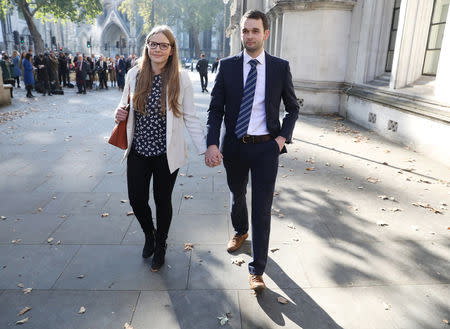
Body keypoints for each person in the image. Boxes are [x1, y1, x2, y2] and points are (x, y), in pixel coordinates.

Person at [205, 10, 299, 291]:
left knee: (262, 209)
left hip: (266, 150)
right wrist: (211, 143)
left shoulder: (280, 67)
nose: (249, 36)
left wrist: (281, 140)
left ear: (265, 34)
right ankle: (239, 231)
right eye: (245, 31)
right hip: (234, 147)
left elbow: (293, 108)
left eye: (254, 31)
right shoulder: (227, 66)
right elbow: (215, 108)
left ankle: (257, 270)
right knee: (237, 195)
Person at [114, 25, 206, 272]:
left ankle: (161, 244)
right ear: (147, 46)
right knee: (137, 200)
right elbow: (123, 105)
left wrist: (205, 149)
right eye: (153, 44)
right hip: (138, 150)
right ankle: (150, 235)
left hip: (166, 153)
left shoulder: (180, 78)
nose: (157, 48)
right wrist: (118, 113)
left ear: (171, 49)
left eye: (163, 45)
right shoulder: (134, 74)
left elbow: (191, 117)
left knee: (162, 200)